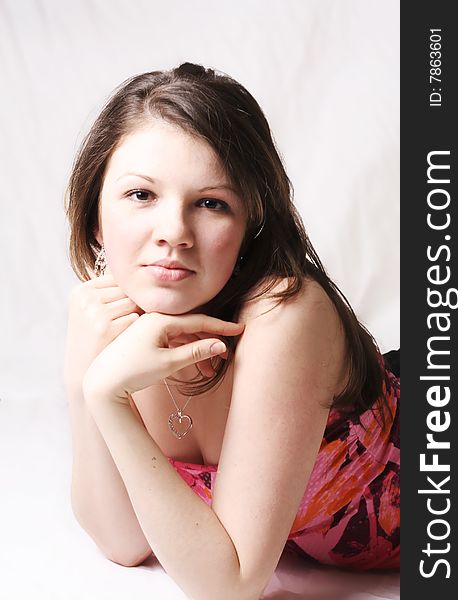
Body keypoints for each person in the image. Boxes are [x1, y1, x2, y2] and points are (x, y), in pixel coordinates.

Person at [64, 62, 400, 600]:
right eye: (141, 195)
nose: (173, 232)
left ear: (249, 226)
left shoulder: (285, 314)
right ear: (95, 216)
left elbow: (231, 585)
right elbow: (123, 543)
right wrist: (88, 387)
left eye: (211, 203)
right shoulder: (117, 325)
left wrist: (105, 397)